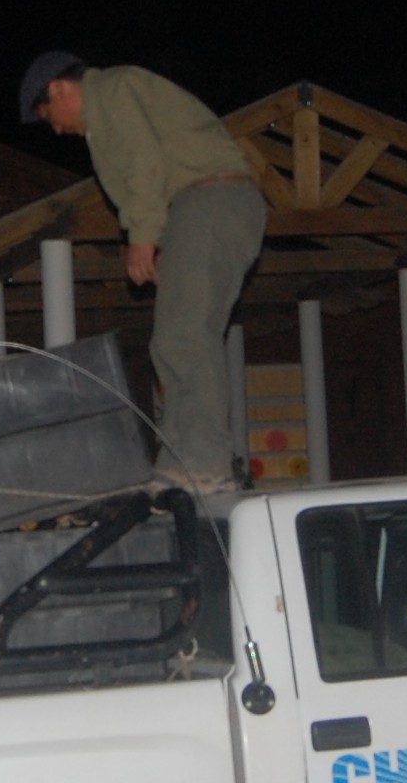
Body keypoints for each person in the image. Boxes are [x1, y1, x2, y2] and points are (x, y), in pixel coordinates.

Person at [19, 51, 266, 495]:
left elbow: (144, 162)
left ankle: (205, 463)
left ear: (58, 88)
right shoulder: (106, 114)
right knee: (176, 336)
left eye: (48, 115)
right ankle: (183, 462)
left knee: (184, 336)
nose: (56, 128)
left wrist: (143, 236)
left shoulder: (114, 89)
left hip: (210, 201)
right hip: (200, 210)